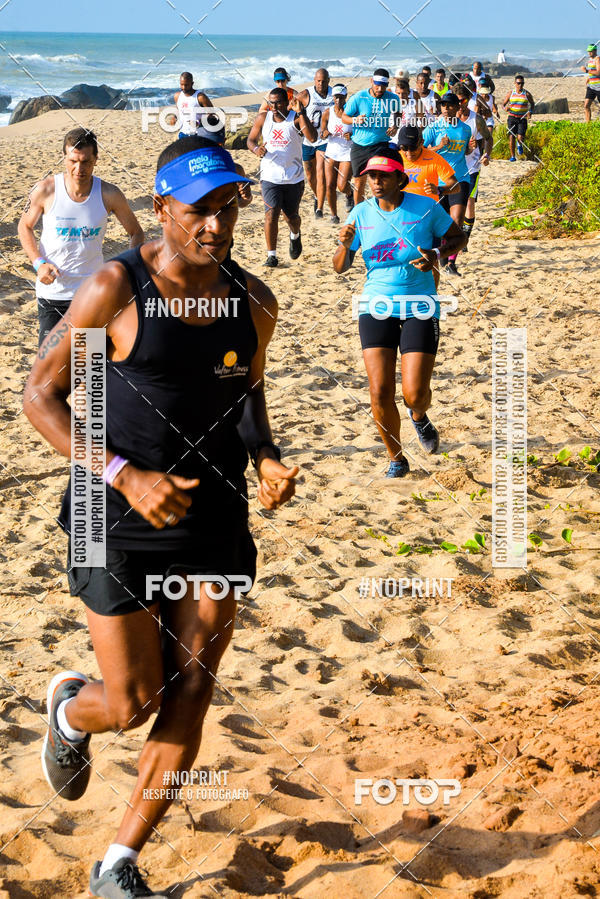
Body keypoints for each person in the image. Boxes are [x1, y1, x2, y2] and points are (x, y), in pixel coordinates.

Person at [24, 134, 299, 899]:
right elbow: (40, 396)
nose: (216, 225)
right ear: (160, 208)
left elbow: (245, 392)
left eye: (228, 207)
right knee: (132, 698)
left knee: (193, 685)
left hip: (210, 507)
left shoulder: (253, 302)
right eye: (200, 210)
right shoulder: (114, 287)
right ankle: (74, 711)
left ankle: (117, 862)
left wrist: (267, 455)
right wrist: (123, 473)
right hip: (104, 507)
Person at [332, 146, 465, 476]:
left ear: (399, 178)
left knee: (415, 393)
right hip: (376, 304)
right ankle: (396, 458)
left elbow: (457, 238)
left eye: (382, 176)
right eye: (371, 176)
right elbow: (340, 267)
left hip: (420, 303)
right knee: (378, 391)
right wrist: (343, 243)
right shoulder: (360, 214)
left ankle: (419, 416)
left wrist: (436, 254)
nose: (375, 182)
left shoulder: (426, 208)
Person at [18, 127, 144, 347]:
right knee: (50, 371)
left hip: (92, 295)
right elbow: (24, 226)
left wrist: (127, 269)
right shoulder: (45, 190)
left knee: (89, 373)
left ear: (96, 159)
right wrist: (39, 264)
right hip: (53, 294)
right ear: (64, 158)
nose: (79, 168)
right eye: (73, 161)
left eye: (86, 161)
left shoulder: (109, 194)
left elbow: (136, 232)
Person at [247, 87, 317, 267]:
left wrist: (301, 113)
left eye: (278, 102)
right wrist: (257, 149)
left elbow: (313, 137)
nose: (274, 106)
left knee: (291, 217)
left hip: (293, 178)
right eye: (271, 102)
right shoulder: (263, 118)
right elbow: (251, 140)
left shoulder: (294, 118)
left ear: (286, 102)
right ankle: (272, 256)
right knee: (271, 213)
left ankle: (295, 235)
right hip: (270, 177)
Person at [422, 93, 471, 276]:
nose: (446, 108)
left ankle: (451, 263)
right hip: (437, 180)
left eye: (449, 105)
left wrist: (471, 148)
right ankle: (442, 253)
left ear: (457, 107)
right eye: (443, 105)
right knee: (439, 224)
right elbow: (421, 150)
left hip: (460, 179)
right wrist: (439, 147)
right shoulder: (433, 128)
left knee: (456, 220)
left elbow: (464, 150)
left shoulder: (465, 129)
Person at [342, 68, 399, 204]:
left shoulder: (393, 98)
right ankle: (358, 212)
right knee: (359, 182)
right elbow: (344, 117)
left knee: (381, 181)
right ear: (371, 81)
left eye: (383, 86)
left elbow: (398, 112)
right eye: (377, 85)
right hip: (360, 146)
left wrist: (395, 126)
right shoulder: (358, 97)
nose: (380, 89)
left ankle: (381, 209)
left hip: (381, 144)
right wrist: (355, 120)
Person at [455, 83, 492, 252]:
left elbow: (488, 138)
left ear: (468, 100)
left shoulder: (476, 119)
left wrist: (487, 155)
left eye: (461, 100)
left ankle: (464, 240)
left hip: (472, 167)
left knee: (469, 203)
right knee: (453, 205)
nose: (457, 104)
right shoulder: (449, 118)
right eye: (454, 100)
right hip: (452, 168)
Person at [296, 68, 334, 217]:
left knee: (320, 172)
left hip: (325, 140)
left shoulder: (333, 94)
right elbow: (290, 109)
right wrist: (302, 119)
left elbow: (342, 110)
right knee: (310, 176)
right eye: (318, 80)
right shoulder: (306, 94)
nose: (321, 83)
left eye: (324, 81)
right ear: (314, 80)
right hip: (307, 140)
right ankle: (317, 195)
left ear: (328, 80)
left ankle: (319, 208)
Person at [321, 83, 354, 223]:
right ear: (332, 97)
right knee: (329, 185)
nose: (339, 100)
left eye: (341, 97)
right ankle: (334, 215)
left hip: (347, 151)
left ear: (346, 97)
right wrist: (325, 133)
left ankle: (349, 193)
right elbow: (321, 134)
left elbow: (361, 129)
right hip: (332, 152)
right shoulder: (327, 113)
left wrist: (352, 135)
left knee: (342, 185)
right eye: (336, 97)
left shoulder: (352, 111)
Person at [502, 75, 534, 160]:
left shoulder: (526, 94)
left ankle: (519, 144)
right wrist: (505, 108)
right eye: (519, 83)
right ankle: (512, 156)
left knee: (520, 137)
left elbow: (532, 104)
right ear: (515, 83)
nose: (520, 85)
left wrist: (530, 112)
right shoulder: (510, 93)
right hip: (512, 118)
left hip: (522, 118)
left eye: (522, 83)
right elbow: (503, 104)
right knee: (511, 137)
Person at [174, 72, 212, 138]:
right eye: (181, 84)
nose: (184, 87)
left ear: (192, 84)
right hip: (183, 133)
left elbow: (211, 113)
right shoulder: (177, 96)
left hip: (199, 134)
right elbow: (179, 111)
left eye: (186, 85)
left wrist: (199, 122)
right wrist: (174, 118)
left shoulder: (200, 97)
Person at [582, 44, 600, 122]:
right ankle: (588, 125)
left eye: (590, 51)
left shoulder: (597, 59)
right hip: (591, 86)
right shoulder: (590, 60)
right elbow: (592, 71)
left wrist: (586, 71)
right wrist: (589, 77)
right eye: (588, 51)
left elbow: (598, 72)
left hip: (598, 85)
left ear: (595, 51)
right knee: (586, 105)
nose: (589, 53)